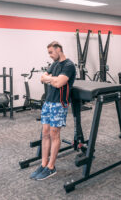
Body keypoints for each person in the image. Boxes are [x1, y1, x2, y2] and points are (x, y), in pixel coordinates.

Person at [30, 41, 76, 180]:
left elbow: (59, 83)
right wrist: (51, 79)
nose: (50, 55)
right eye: (49, 53)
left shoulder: (68, 65)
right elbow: (42, 78)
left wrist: (50, 79)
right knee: (45, 133)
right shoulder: (55, 64)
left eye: (51, 52)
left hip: (59, 103)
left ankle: (51, 167)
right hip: (48, 102)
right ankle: (43, 164)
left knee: (54, 134)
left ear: (59, 50)